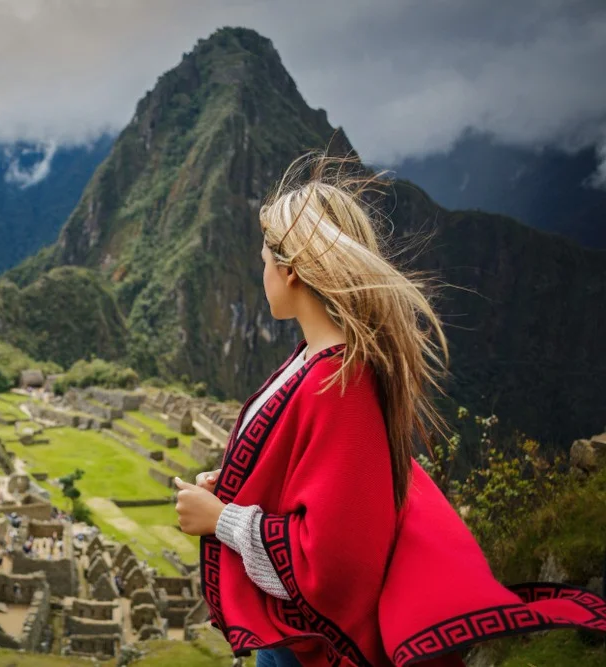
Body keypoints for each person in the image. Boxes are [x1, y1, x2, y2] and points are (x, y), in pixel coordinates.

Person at [173, 151, 606, 667]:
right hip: (286, 637)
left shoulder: (341, 382)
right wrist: (233, 485)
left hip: (309, 650)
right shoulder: (315, 360)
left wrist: (222, 519)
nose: (260, 267)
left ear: (289, 270)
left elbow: (333, 564)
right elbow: (305, 471)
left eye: (264, 257)